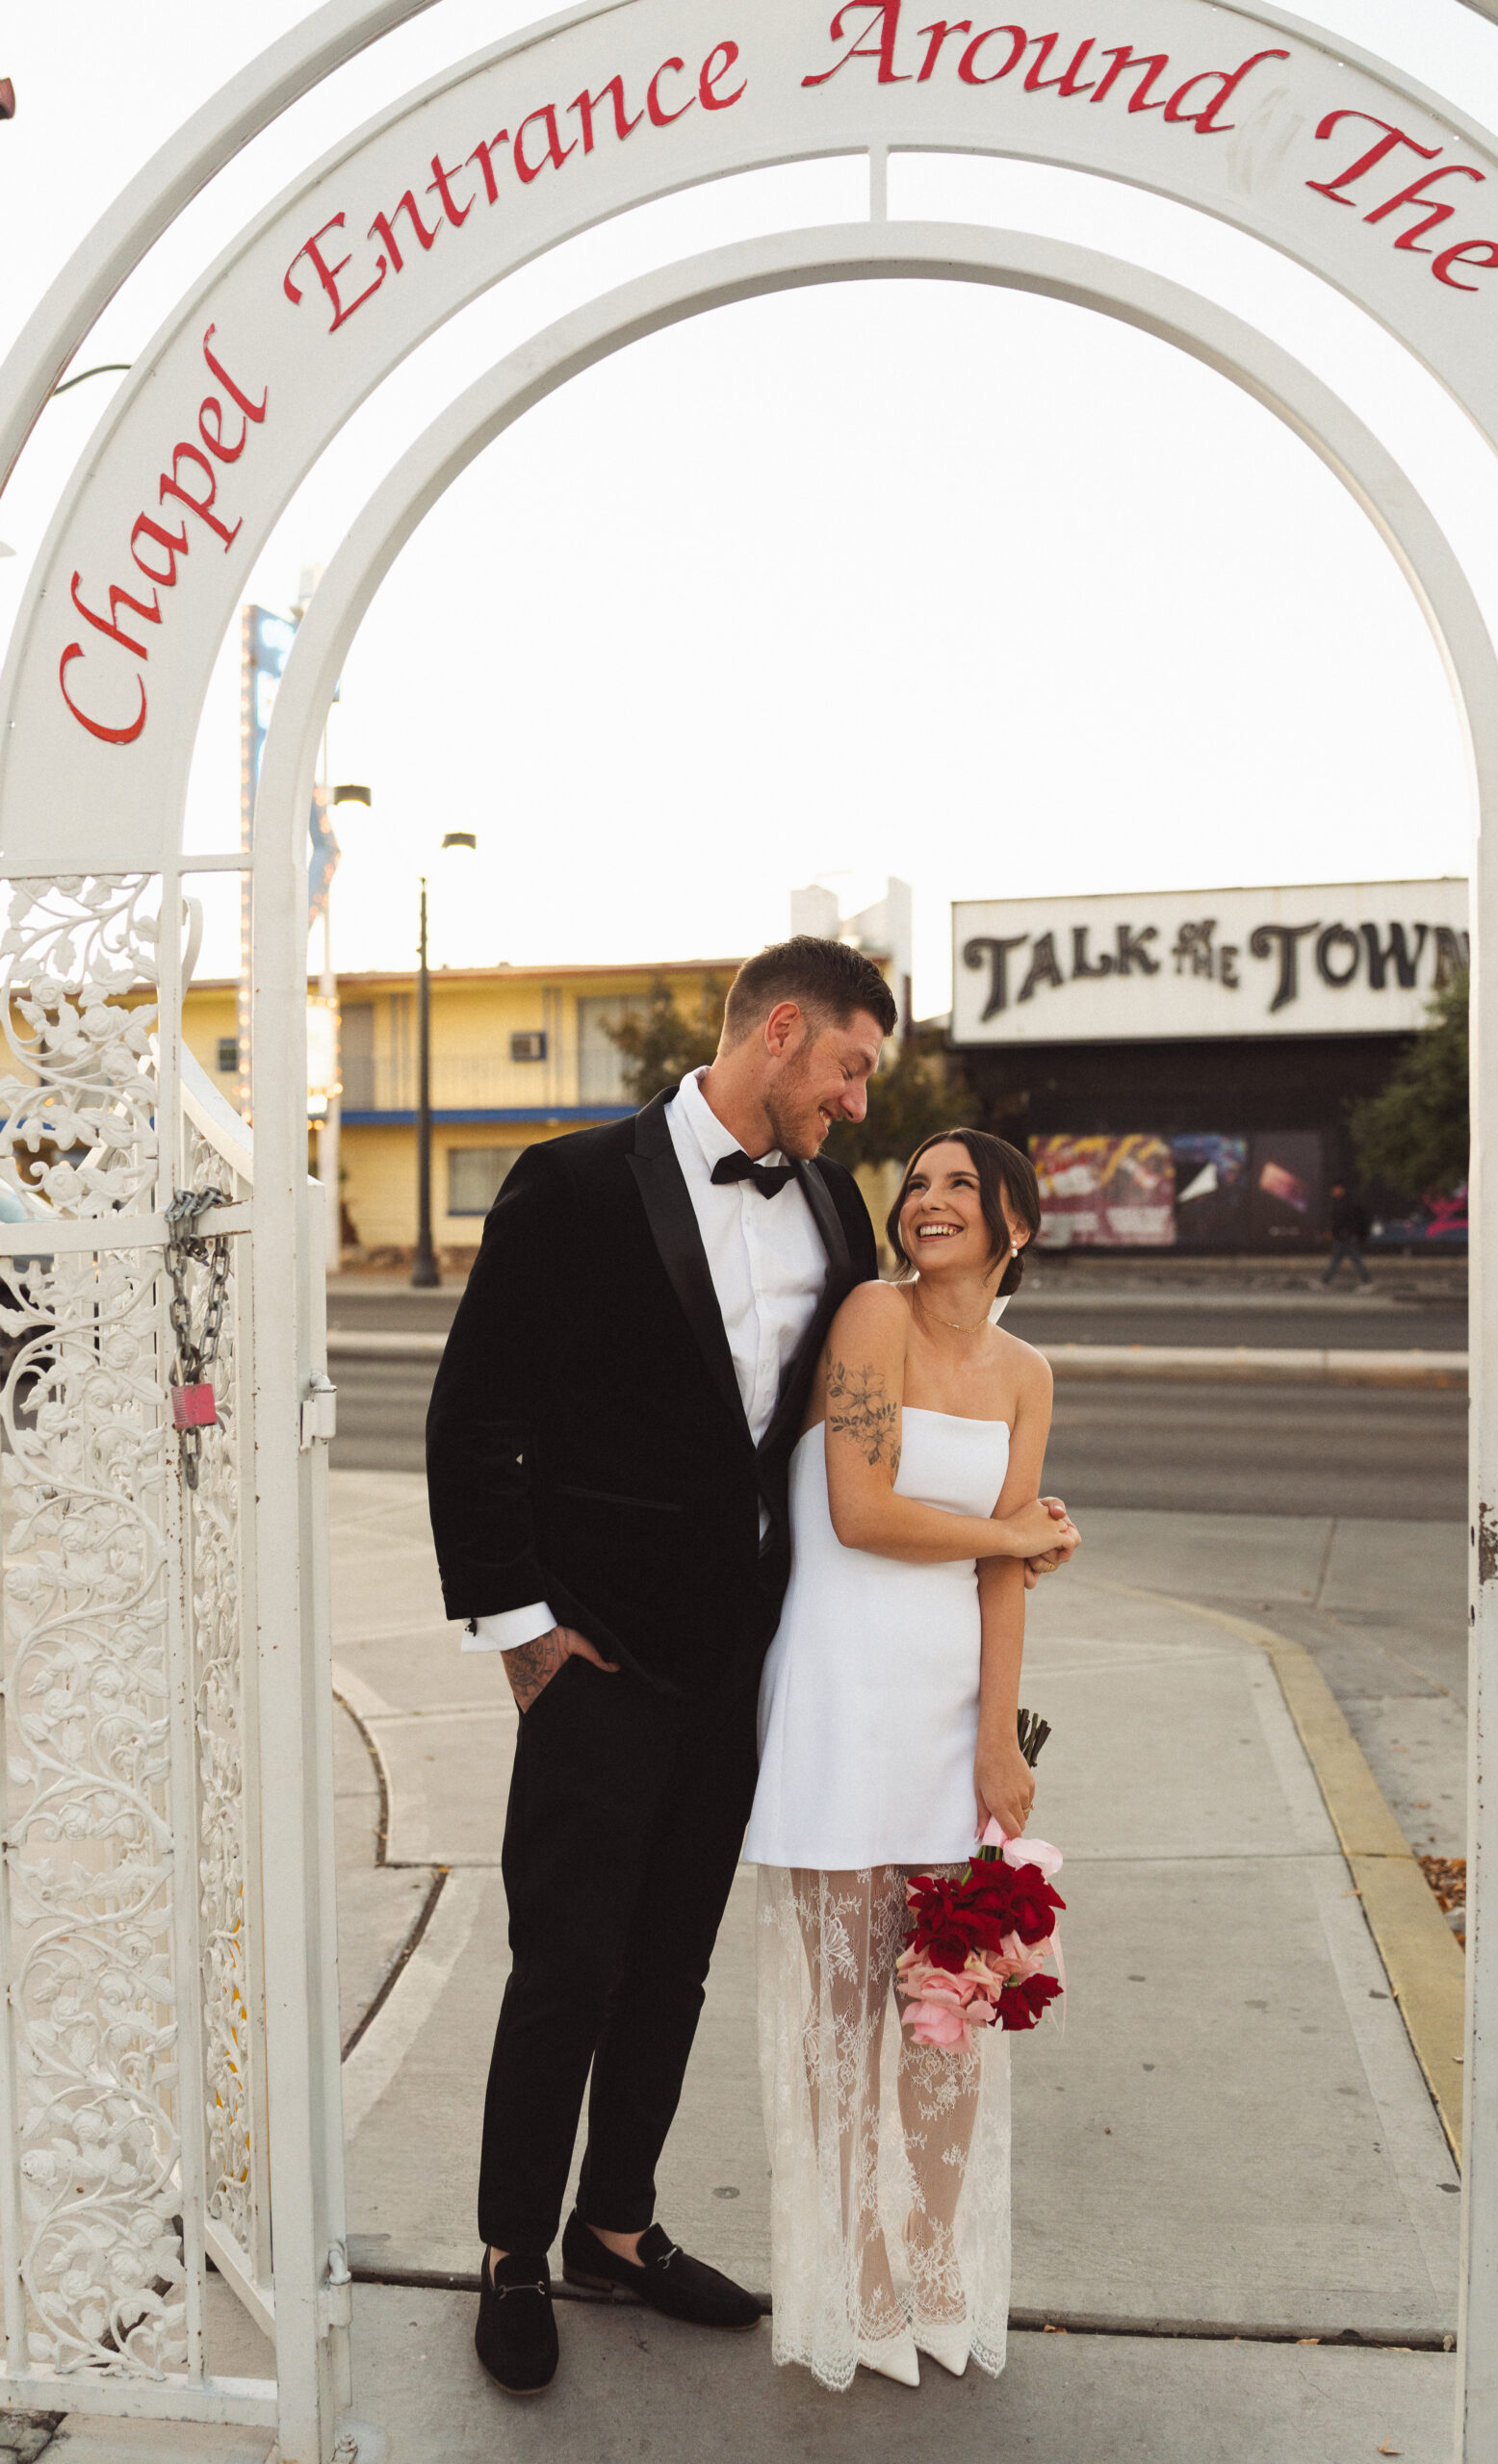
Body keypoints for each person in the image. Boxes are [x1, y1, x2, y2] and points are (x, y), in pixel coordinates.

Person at [425, 940, 1074, 2398]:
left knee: (672, 1962)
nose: (857, 1104)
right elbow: (475, 1413)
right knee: (567, 1961)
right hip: (595, 1651)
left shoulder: (831, 1208)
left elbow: (838, 1431)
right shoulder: (572, 1184)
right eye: (849, 1067)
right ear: (781, 1031)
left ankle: (617, 2225)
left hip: (746, 1660)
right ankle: (512, 2250)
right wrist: (521, 1629)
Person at [743, 1127, 1076, 2391]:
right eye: (918, 1183)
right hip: (838, 1699)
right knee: (842, 2023)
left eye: (960, 1186)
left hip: (948, 1716)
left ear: (1014, 1225)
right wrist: (1015, 1531)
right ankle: (855, 2269)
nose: (927, 1200)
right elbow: (861, 1511)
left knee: (949, 2013)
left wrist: (997, 1740)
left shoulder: (1027, 1373)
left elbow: (1007, 1577)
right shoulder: (872, 1316)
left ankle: (936, 2260)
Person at [1321, 1181, 1373, 1289]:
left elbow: (1341, 1220)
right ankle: (1325, 1281)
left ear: (1341, 1189)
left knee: (1350, 1260)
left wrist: (1334, 1232)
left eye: (1335, 1189)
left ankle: (1367, 1281)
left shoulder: (1344, 1203)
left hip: (1346, 1236)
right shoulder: (1343, 1202)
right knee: (1339, 1260)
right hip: (1345, 1236)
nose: (1333, 1192)